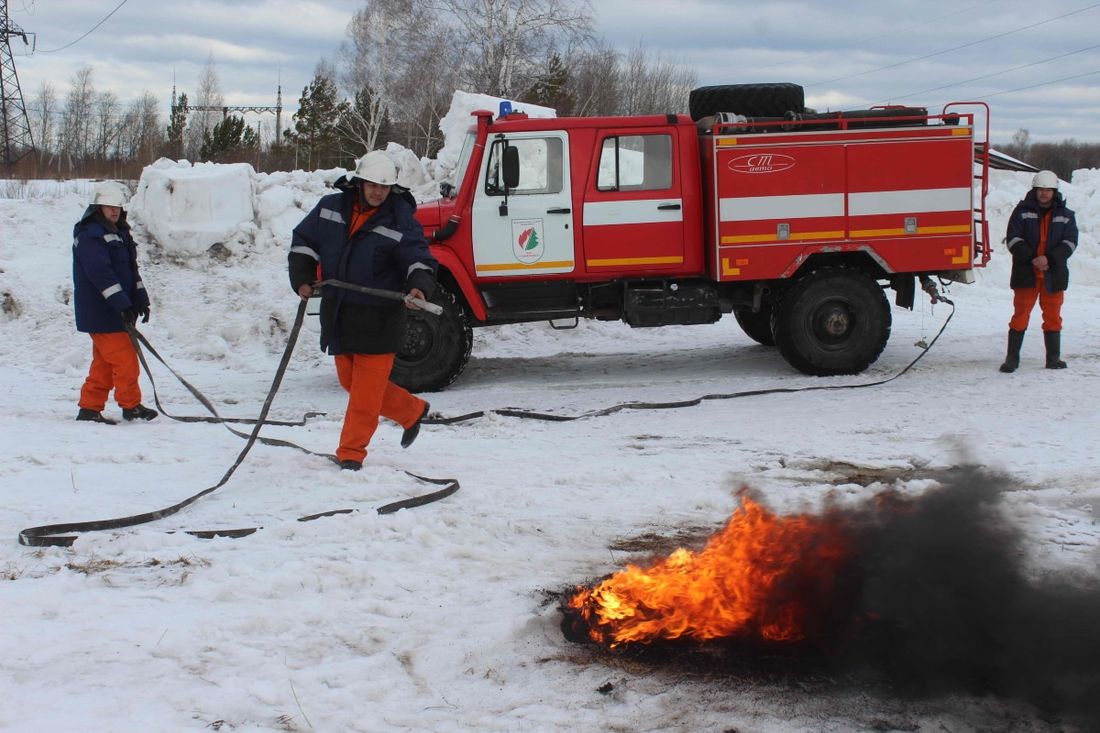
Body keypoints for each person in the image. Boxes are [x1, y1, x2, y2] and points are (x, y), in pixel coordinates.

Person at [288, 151, 437, 471]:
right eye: (372, 185)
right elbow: (304, 242)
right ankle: (410, 411)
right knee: (350, 382)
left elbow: (418, 258)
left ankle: (351, 452)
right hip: (339, 313)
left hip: (379, 317)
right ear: (359, 182)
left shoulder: (400, 219)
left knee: (365, 395)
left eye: (384, 187)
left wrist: (418, 286)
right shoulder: (329, 208)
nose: (378, 192)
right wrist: (302, 279)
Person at [72, 181, 159, 424]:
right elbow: (101, 274)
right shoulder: (91, 235)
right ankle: (131, 406)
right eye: (109, 206)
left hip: (117, 310)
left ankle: (89, 408)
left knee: (104, 363)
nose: (114, 211)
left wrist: (141, 299)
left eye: (117, 207)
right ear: (97, 208)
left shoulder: (120, 233)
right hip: (101, 311)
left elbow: (131, 271)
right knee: (125, 359)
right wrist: (122, 304)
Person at [999, 170, 1079, 373]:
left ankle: (1053, 359)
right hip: (1027, 274)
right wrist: (1033, 258)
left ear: (1054, 191)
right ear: (1035, 190)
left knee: (1053, 316)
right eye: (1041, 189)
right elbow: (1013, 239)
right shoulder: (1021, 211)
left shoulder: (1066, 215)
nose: (1044, 193)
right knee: (1020, 315)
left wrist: (1049, 259)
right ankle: (1012, 359)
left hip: (1053, 275)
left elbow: (1070, 242)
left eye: (1048, 190)